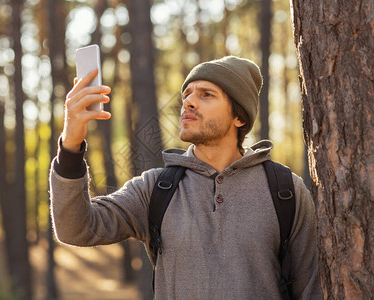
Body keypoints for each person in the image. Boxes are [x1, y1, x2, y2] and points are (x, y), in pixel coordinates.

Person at [49, 56, 321, 299]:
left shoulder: (285, 190)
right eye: (187, 94)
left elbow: (311, 288)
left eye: (206, 95)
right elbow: (77, 229)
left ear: (239, 116)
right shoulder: (155, 188)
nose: (188, 102)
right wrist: (71, 146)